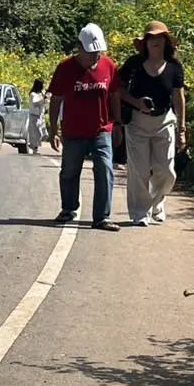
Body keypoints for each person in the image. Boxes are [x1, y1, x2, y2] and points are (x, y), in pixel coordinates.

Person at [112, 20, 188, 226]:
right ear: (145, 42)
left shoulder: (174, 66)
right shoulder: (134, 64)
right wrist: (136, 102)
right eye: (151, 38)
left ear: (166, 42)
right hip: (137, 123)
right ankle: (140, 213)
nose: (156, 41)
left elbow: (179, 98)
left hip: (164, 121)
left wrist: (182, 130)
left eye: (160, 38)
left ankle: (157, 201)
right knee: (139, 171)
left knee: (167, 171)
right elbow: (117, 90)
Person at [47, 23, 120, 231]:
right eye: (91, 53)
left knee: (105, 169)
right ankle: (68, 209)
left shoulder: (109, 65)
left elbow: (114, 95)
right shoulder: (65, 68)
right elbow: (56, 100)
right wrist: (53, 130)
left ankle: (102, 217)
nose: (95, 56)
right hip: (73, 131)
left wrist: (118, 123)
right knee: (69, 171)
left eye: (98, 52)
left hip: (101, 129)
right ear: (79, 47)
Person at [27, 77, 46, 153]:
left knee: (42, 133)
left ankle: (34, 146)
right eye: (42, 84)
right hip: (34, 115)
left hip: (40, 116)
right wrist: (43, 99)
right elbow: (35, 102)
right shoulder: (33, 94)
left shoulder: (42, 93)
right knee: (37, 133)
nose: (44, 86)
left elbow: (46, 102)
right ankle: (34, 147)